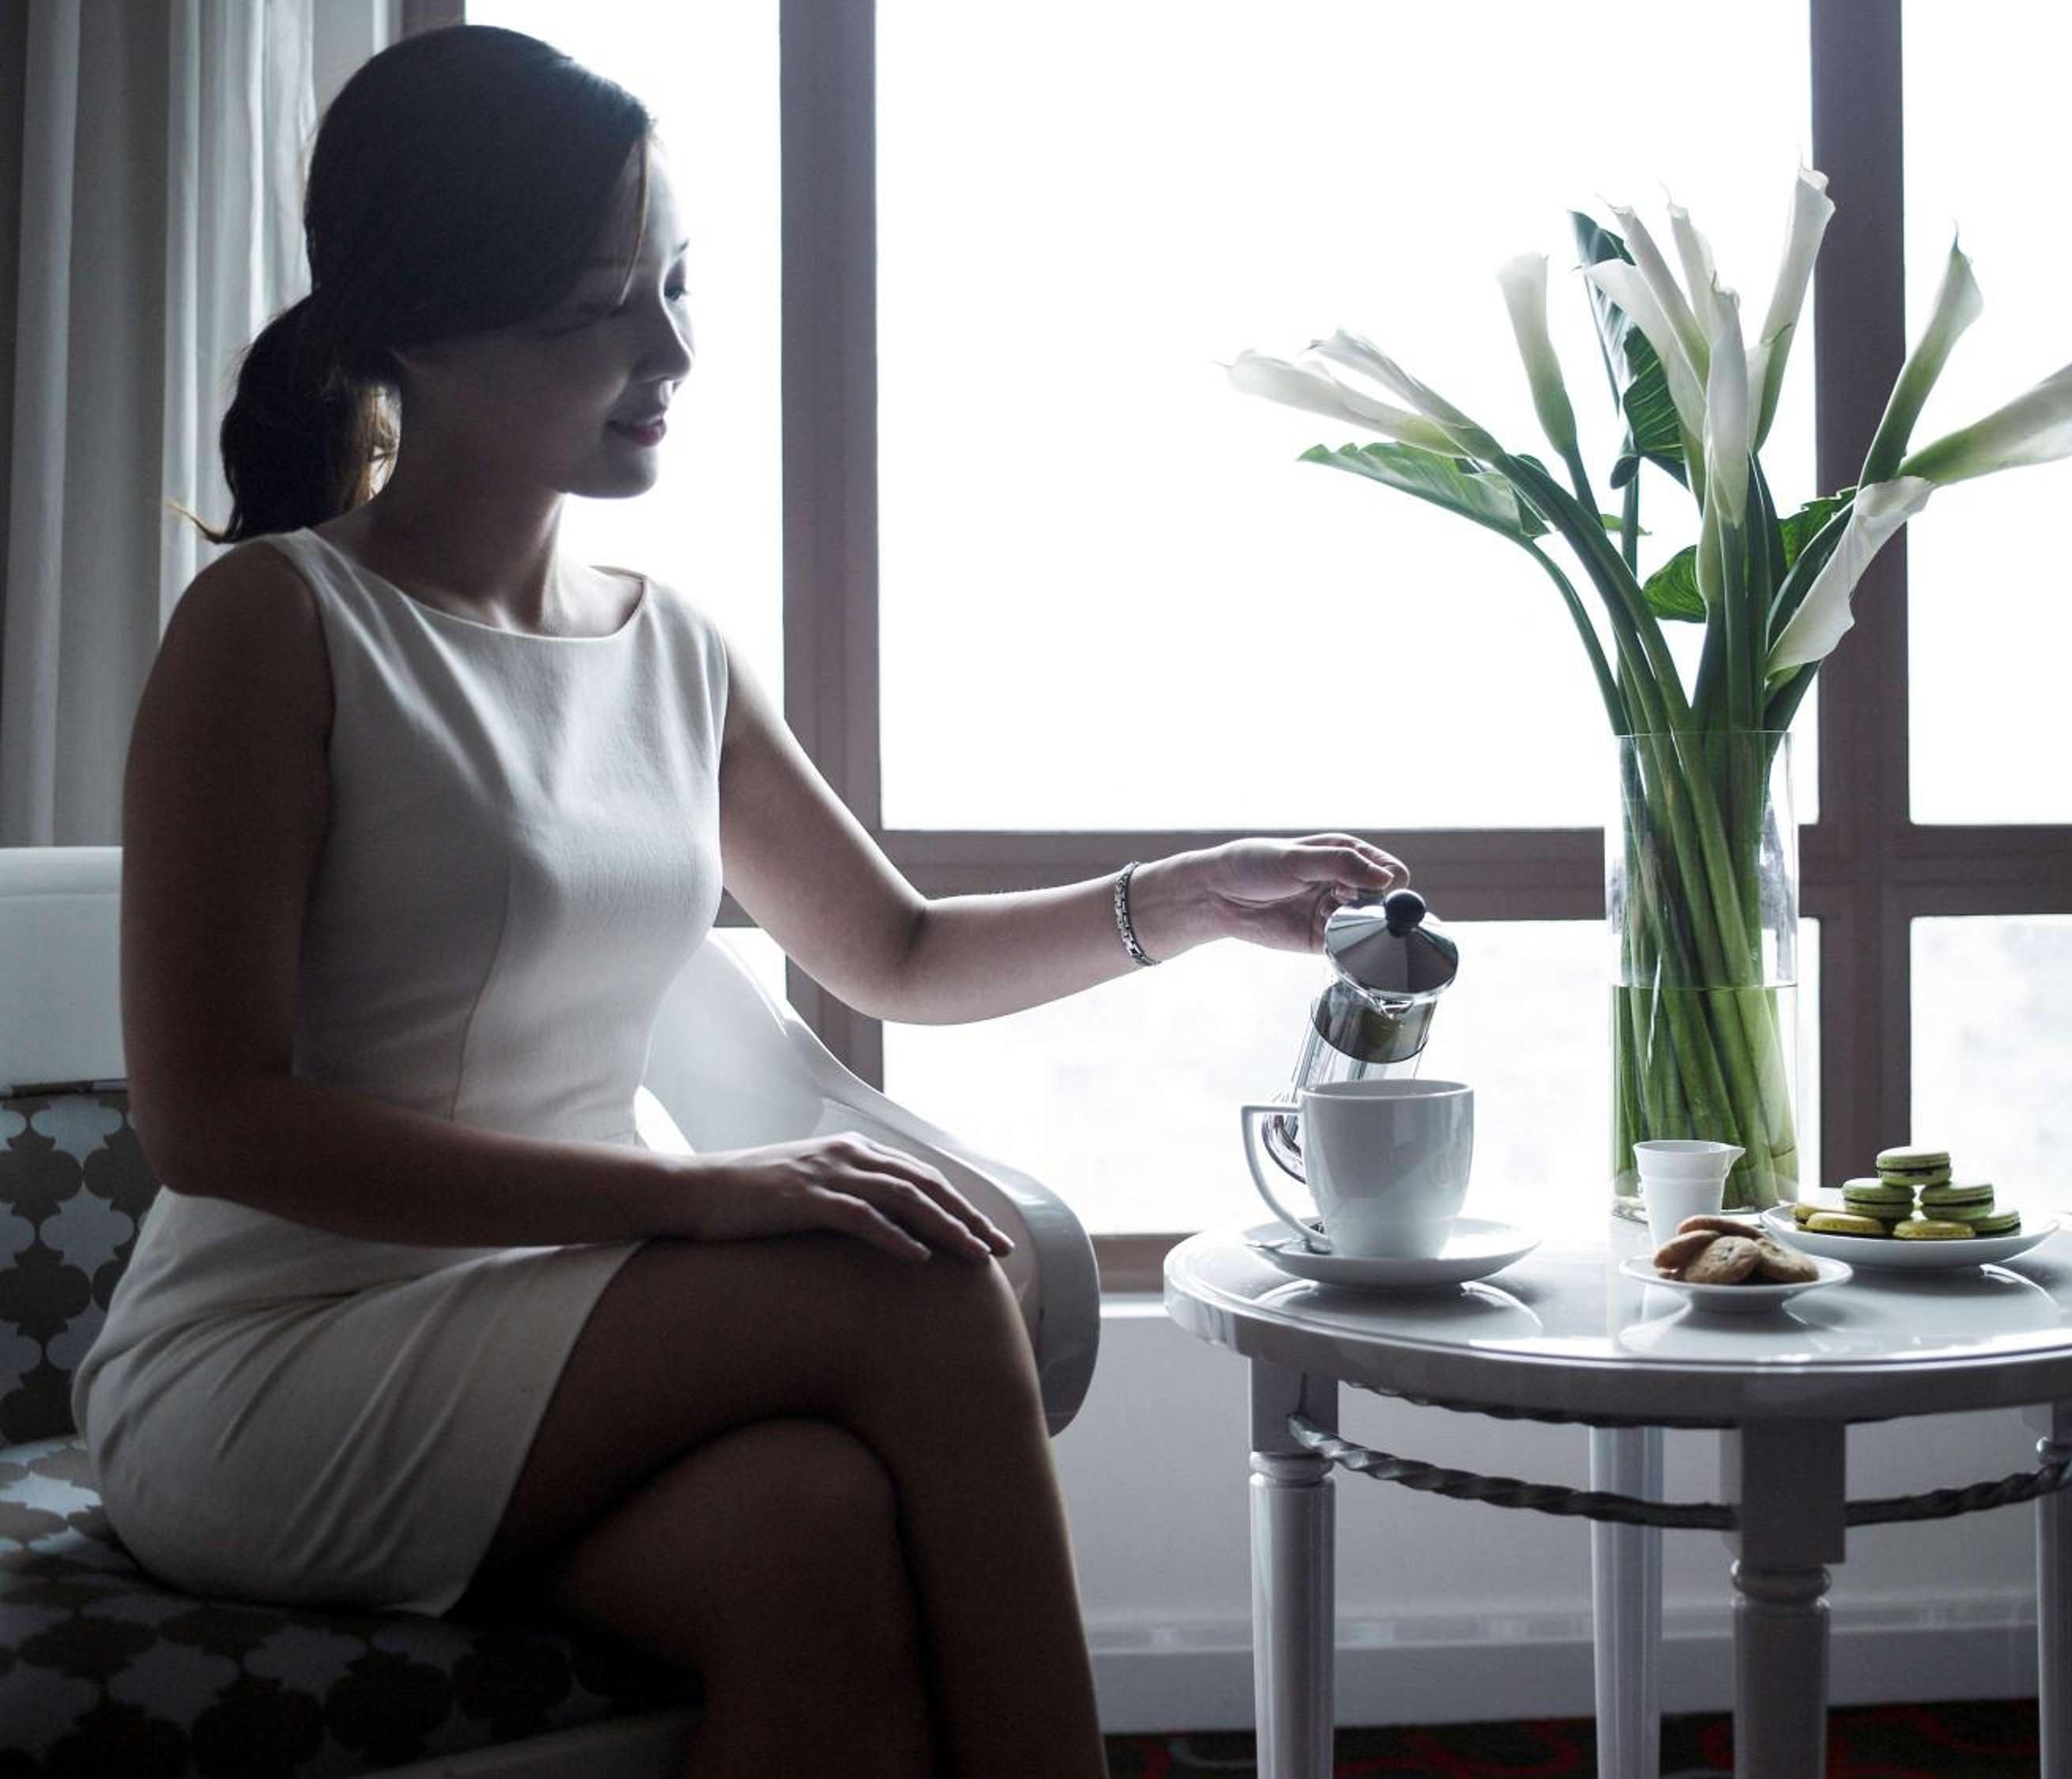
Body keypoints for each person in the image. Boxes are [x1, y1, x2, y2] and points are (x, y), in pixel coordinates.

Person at [74, 25, 1408, 1779]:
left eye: (677, 284)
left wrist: (1189, 893)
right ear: (423, 328)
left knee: (809, 1536)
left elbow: (895, 951)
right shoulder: (278, 625)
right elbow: (212, 1122)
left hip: (552, 1328)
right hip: (276, 1366)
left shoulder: (669, 644)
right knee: (924, 1280)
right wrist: (691, 1201)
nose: (673, 351)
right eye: (599, 307)